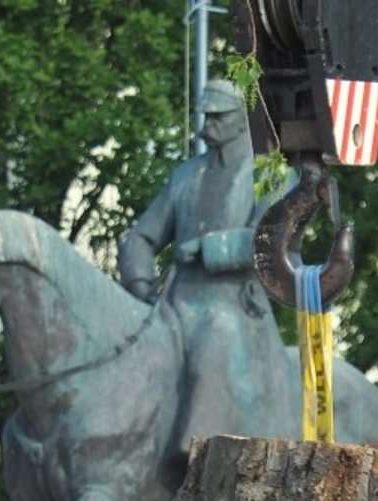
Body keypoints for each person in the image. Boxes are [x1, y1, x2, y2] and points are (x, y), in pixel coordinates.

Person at [117, 79, 295, 443]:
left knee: (215, 337)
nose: (206, 125)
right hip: (173, 302)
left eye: (218, 117)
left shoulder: (272, 174)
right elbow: (141, 236)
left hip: (235, 306)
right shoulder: (185, 175)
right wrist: (140, 285)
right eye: (205, 116)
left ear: (243, 119)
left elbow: (273, 241)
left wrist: (209, 248)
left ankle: (198, 446)